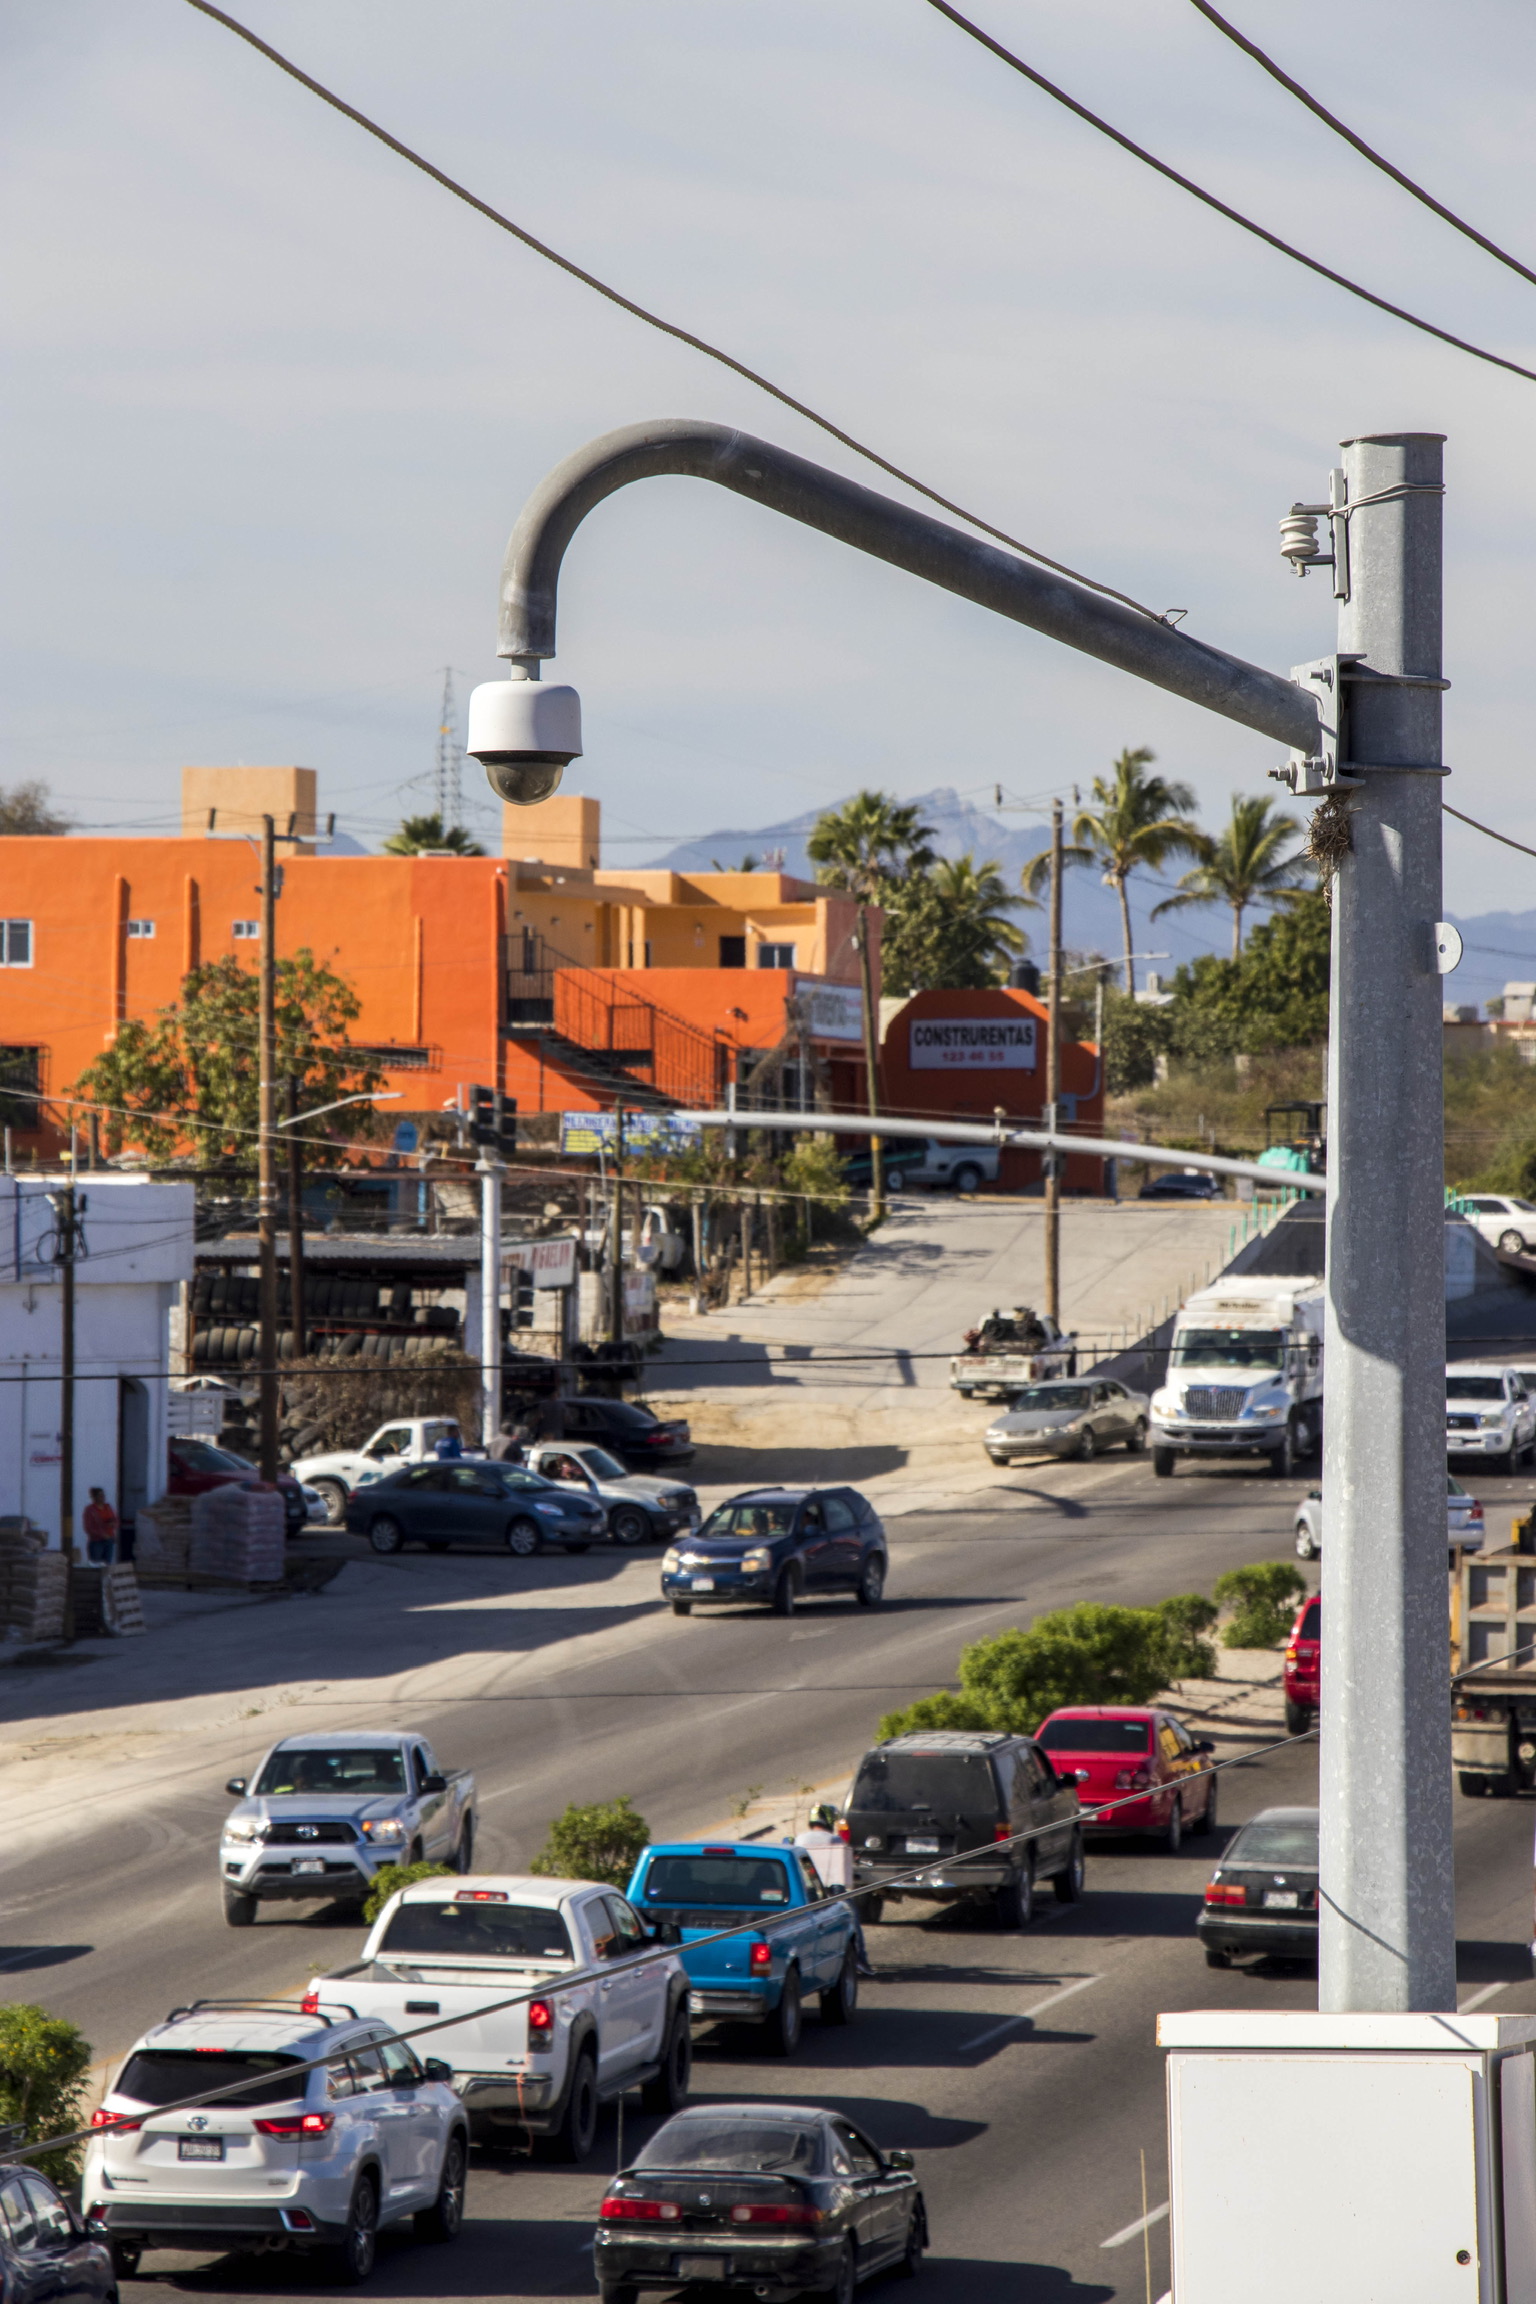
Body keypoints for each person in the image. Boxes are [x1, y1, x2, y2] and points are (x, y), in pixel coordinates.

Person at [796, 1804, 874, 1977]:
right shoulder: (835, 1840)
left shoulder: (800, 1839)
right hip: (833, 1887)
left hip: (809, 1888)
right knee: (852, 1916)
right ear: (828, 1819)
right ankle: (861, 1959)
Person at [82, 1487, 119, 1566]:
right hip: (97, 1541)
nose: (103, 1497)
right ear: (94, 1497)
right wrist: (101, 1534)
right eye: (100, 1495)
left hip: (109, 1539)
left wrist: (113, 1524)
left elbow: (115, 1520)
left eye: (103, 1495)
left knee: (107, 1564)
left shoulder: (107, 1507)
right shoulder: (90, 1510)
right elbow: (88, 1527)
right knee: (96, 1564)